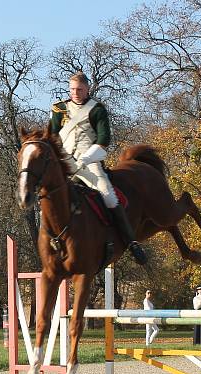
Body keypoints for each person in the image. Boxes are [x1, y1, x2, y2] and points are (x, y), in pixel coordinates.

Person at [50, 71, 147, 265]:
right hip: (66, 161)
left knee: (108, 194)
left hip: (89, 160)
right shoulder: (59, 109)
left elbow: (104, 140)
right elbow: (52, 136)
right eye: (72, 89)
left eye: (79, 89)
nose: (75, 93)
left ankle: (131, 242)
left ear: (87, 89)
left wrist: (87, 158)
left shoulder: (97, 110)